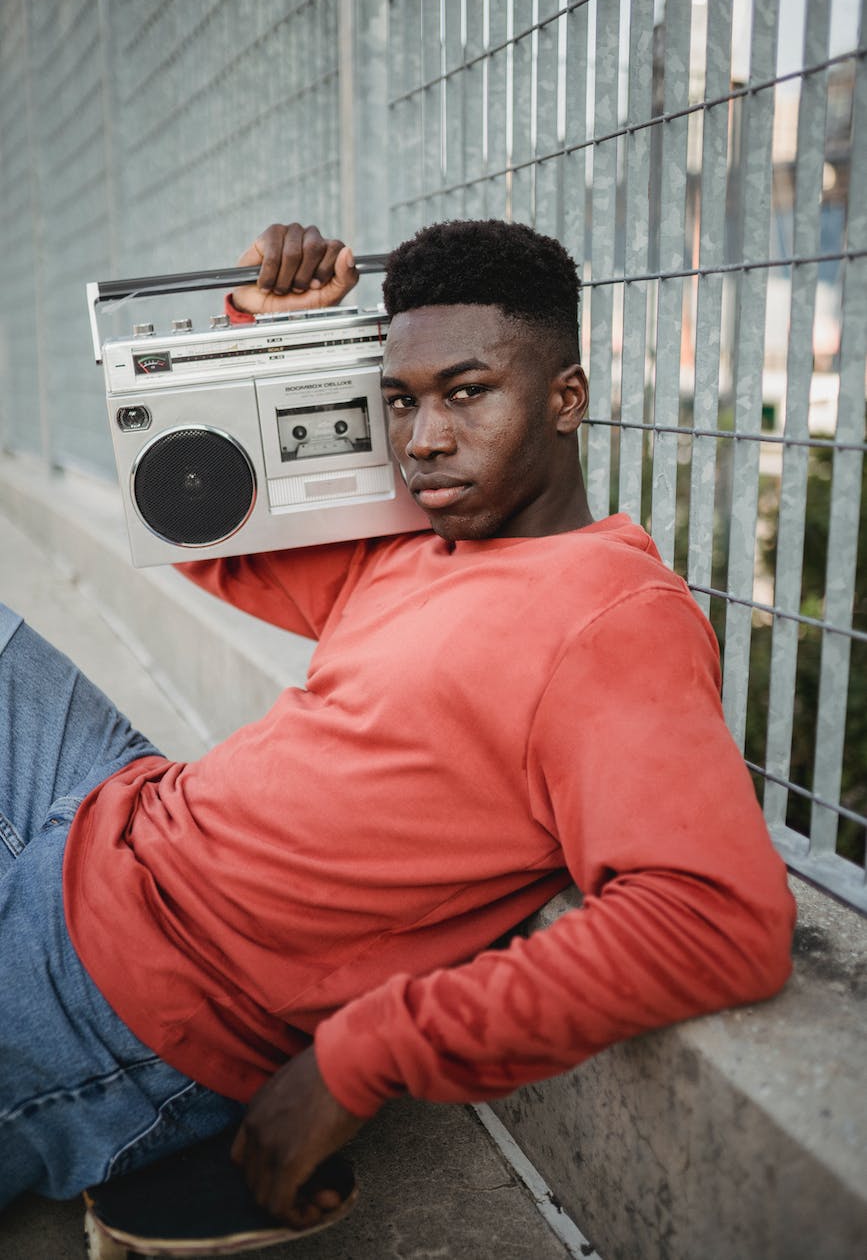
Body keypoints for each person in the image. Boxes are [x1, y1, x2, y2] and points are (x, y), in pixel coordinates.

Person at [0, 220, 795, 1226]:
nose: (422, 439)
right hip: (104, 809)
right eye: (400, 400)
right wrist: (262, 331)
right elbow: (203, 533)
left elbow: (716, 920)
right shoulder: (425, 543)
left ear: (567, 398)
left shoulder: (613, 618)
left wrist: (360, 1053)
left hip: (144, 985)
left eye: (467, 394)